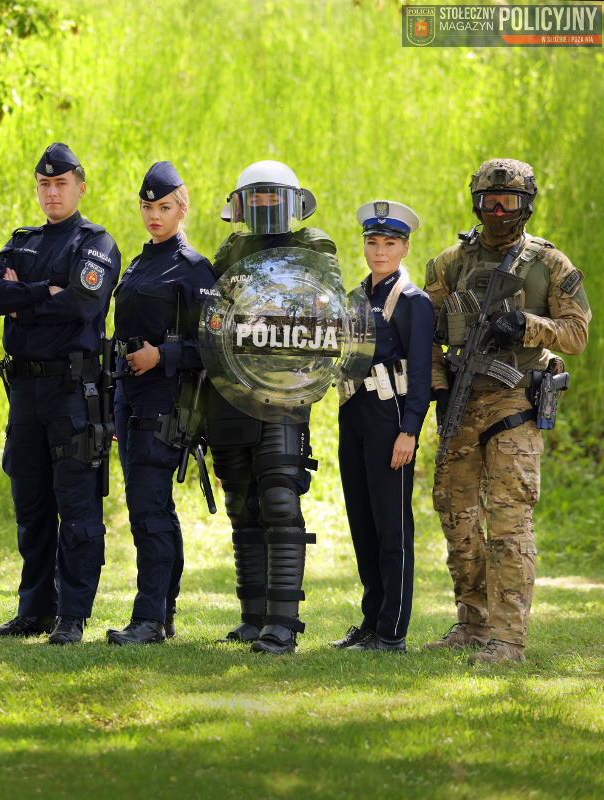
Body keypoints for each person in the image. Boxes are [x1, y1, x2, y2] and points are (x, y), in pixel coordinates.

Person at [424, 159, 590, 664]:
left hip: (515, 401)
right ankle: (472, 624)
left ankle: (506, 639)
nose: (498, 211)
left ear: (526, 204)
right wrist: (438, 386)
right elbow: (427, 335)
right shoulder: (449, 262)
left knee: (508, 521)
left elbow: (578, 333)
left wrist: (526, 327)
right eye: (489, 202)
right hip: (461, 400)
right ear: (475, 202)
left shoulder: (549, 264)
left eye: (509, 202)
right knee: (456, 515)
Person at [0, 143, 122, 645]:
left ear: (80, 187)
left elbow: (83, 305)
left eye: (61, 183)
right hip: (24, 392)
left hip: (70, 392)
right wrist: (43, 293)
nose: (52, 192)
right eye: (44, 184)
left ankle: (72, 615)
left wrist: (22, 303)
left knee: (77, 505)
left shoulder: (97, 244)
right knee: (31, 504)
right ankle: (35, 609)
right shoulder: (22, 240)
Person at [209, 160, 335, 654]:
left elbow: (319, 303)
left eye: (271, 198)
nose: (263, 207)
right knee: (242, 503)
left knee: (280, 501)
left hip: (284, 392)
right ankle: (252, 616)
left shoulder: (314, 245)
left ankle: (282, 623)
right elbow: (214, 309)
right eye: (254, 199)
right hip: (231, 390)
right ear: (240, 206)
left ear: (292, 202)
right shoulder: (230, 249)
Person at [106, 161, 214, 645]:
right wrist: (114, 401)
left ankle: (148, 618)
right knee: (153, 508)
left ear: (182, 208)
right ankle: (163, 613)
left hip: (165, 401)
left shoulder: (194, 269)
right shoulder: (136, 262)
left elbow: (214, 347)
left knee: (148, 510)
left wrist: (162, 355)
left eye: (164, 207)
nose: (154, 215)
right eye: (148, 207)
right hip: (129, 399)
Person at [332, 201, 431, 653]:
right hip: (353, 414)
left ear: (405, 248)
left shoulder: (412, 302)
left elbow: (423, 373)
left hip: (391, 419)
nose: (379, 251)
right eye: (373, 242)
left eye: (389, 243)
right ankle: (370, 622)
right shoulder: (354, 298)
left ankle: (392, 632)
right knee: (363, 523)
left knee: (393, 527)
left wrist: (409, 431)